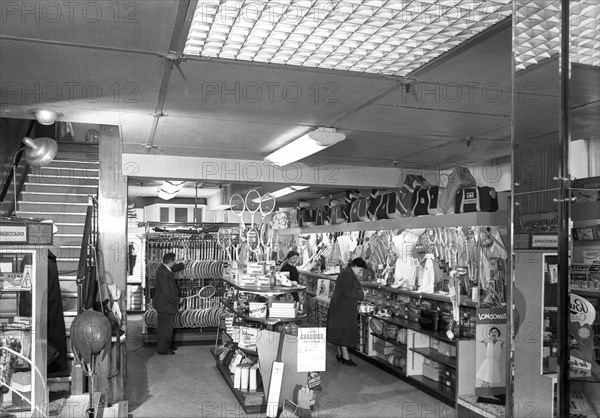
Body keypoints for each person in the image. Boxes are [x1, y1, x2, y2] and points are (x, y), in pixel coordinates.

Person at [326, 257, 367, 366]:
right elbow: (347, 290)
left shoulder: (347, 273)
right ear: (355, 266)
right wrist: (362, 294)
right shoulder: (347, 274)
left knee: (341, 331)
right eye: (360, 270)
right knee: (344, 331)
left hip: (342, 306)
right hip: (343, 308)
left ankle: (340, 354)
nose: (360, 272)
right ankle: (345, 357)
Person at [154, 253, 181, 355]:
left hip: (165, 305)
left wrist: (183, 265)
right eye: (174, 261)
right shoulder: (163, 273)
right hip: (165, 305)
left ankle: (166, 345)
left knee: (166, 327)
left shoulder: (164, 269)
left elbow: (173, 269)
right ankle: (163, 349)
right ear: (170, 262)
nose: (175, 263)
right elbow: (167, 293)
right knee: (165, 329)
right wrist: (177, 300)